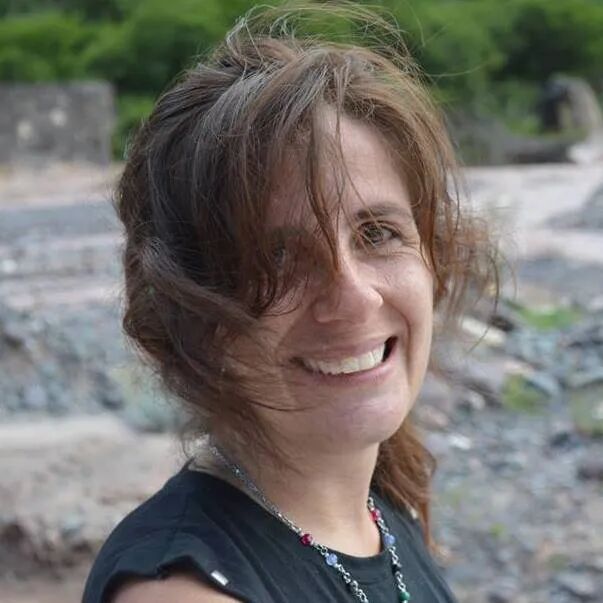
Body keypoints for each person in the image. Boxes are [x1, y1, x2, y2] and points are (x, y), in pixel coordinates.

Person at [82, 3, 495, 602]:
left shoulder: (381, 513)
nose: (354, 296)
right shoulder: (183, 591)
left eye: (377, 233)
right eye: (278, 256)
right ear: (188, 307)